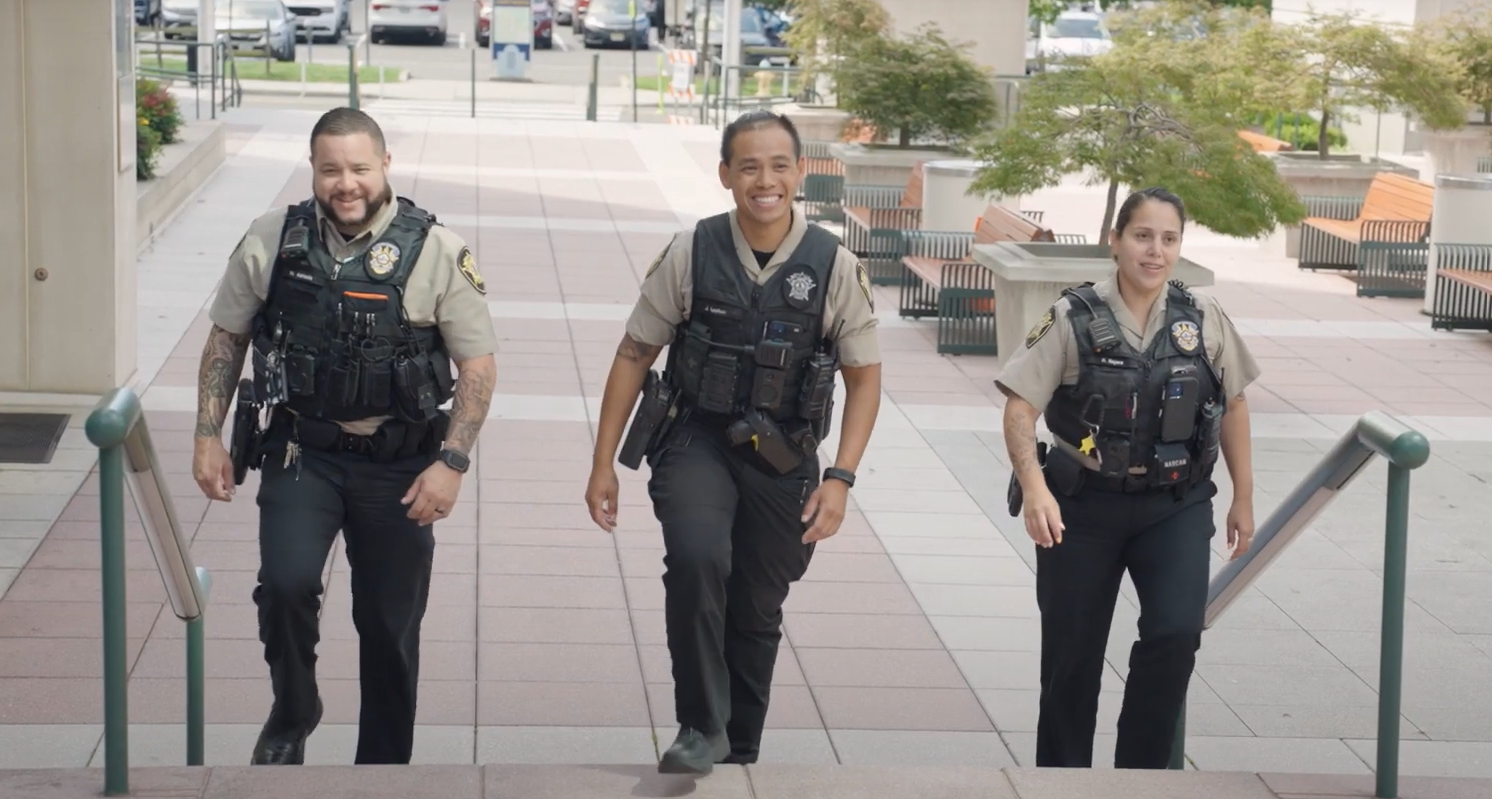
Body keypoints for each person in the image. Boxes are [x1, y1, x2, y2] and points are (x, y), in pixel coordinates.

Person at [189, 107, 499, 766]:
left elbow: (477, 366)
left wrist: (452, 462)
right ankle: (294, 706)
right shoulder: (272, 239)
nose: (346, 182)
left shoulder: (436, 251)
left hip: (401, 463)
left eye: (359, 167)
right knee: (286, 583)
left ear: (384, 164)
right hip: (304, 450)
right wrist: (207, 433)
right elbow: (227, 336)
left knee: (389, 626)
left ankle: (383, 766)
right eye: (331, 169)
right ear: (314, 170)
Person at [584, 109, 882, 775]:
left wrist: (842, 477)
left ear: (801, 172)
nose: (764, 179)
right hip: (697, 438)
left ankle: (738, 745)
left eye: (779, 164)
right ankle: (699, 724)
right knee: (696, 557)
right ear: (725, 174)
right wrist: (603, 461)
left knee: (755, 602)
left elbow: (865, 380)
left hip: (784, 456)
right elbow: (634, 354)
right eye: (748, 165)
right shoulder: (692, 251)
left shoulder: (834, 265)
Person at [996, 187, 1259, 770]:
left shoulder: (1205, 318)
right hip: (1081, 508)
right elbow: (1019, 408)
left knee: (1175, 632)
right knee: (1072, 659)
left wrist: (1243, 496)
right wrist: (1035, 489)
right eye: (1142, 236)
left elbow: (1234, 404)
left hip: (1176, 503)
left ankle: (1140, 778)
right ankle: (1063, 780)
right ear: (1115, 242)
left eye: (1169, 239)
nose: (1155, 251)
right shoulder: (1071, 316)